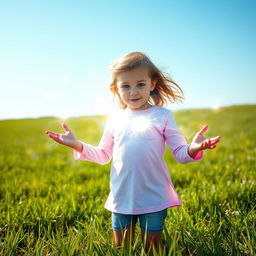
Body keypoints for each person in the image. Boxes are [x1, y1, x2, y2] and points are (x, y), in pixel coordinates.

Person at [45, 51, 221, 254]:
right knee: (122, 248)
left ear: (152, 84)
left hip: (154, 195)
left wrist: (194, 147)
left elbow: (180, 153)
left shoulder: (162, 116)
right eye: (125, 86)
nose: (133, 92)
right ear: (116, 89)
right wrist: (77, 145)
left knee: (152, 249)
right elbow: (103, 155)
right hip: (122, 196)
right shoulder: (114, 119)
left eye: (140, 84)